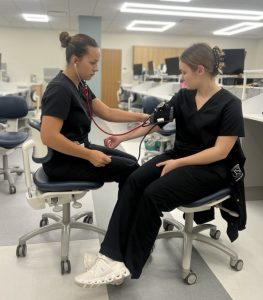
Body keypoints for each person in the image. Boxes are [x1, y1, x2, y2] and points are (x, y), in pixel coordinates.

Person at [74, 43, 245, 288]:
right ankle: (110, 254)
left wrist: (177, 163)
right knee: (134, 180)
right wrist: (122, 138)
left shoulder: (230, 104)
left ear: (200, 70)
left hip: (212, 168)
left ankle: (128, 265)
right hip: (179, 156)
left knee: (153, 195)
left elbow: (221, 151)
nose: (181, 77)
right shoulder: (184, 96)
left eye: (184, 72)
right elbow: (156, 122)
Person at [41, 32, 149, 187]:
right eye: (92, 63)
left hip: (79, 150)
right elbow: (48, 136)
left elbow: (107, 112)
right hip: (62, 161)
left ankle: (128, 211)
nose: (96, 69)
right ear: (75, 60)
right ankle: (127, 212)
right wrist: (89, 155)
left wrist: (142, 117)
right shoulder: (59, 89)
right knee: (130, 169)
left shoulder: (80, 85)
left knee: (131, 161)